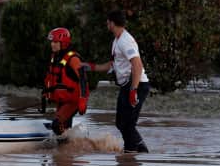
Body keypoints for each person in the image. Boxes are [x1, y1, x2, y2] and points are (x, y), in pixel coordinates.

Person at [82, 10, 150, 153]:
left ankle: (132, 153)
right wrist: (90, 67)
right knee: (120, 123)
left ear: (112, 23)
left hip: (137, 85)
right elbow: (112, 65)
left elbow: (137, 65)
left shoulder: (125, 41)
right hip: (127, 86)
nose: (106, 24)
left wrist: (133, 90)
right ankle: (138, 148)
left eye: (108, 21)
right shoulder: (116, 41)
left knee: (128, 125)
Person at [42, 27, 90, 136]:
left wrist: (83, 100)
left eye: (55, 42)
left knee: (57, 125)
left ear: (63, 43)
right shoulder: (55, 57)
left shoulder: (73, 59)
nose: (52, 44)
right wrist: (46, 93)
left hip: (72, 101)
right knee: (62, 127)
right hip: (62, 101)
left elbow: (83, 79)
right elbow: (50, 78)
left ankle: (67, 147)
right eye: (52, 42)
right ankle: (67, 150)